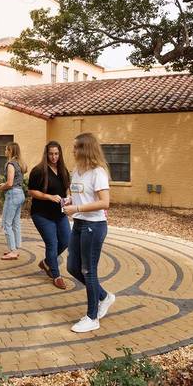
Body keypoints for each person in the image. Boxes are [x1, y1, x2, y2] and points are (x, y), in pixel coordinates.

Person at [63, 132, 116, 333]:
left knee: (88, 270)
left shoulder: (98, 172)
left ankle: (92, 317)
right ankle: (104, 296)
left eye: (76, 147)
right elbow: (78, 195)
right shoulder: (76, 170)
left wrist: (76, 209)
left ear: (85, 149)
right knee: (72, 266)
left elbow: (105, 202)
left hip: (94, 226)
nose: (73, 150)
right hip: (78, 224)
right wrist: (70, 201)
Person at [28, 141, 71, 289]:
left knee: (66, 240)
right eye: (51, 154)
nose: (54, 157)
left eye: (56, 154)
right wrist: (49, 196)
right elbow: (32, 191)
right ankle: (56, 274)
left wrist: (67, 201)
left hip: (60, 214)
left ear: (60, 154)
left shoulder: (63, 170)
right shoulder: (39, 170)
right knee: (52, 243)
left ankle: (46, 262)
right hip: (42, 214)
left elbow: (66, 190)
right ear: (46, 154)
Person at [0, 142, 27, 260]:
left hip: (13, 195)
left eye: (6, 149)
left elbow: (9, 183)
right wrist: (5, 185)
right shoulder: (19, 163)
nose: (4, 151)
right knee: (16, 223)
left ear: (10, 151)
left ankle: (13, 251)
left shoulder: (10, 164)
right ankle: (16, 248)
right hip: (20, 194)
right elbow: (14, 181)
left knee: (6, 224)